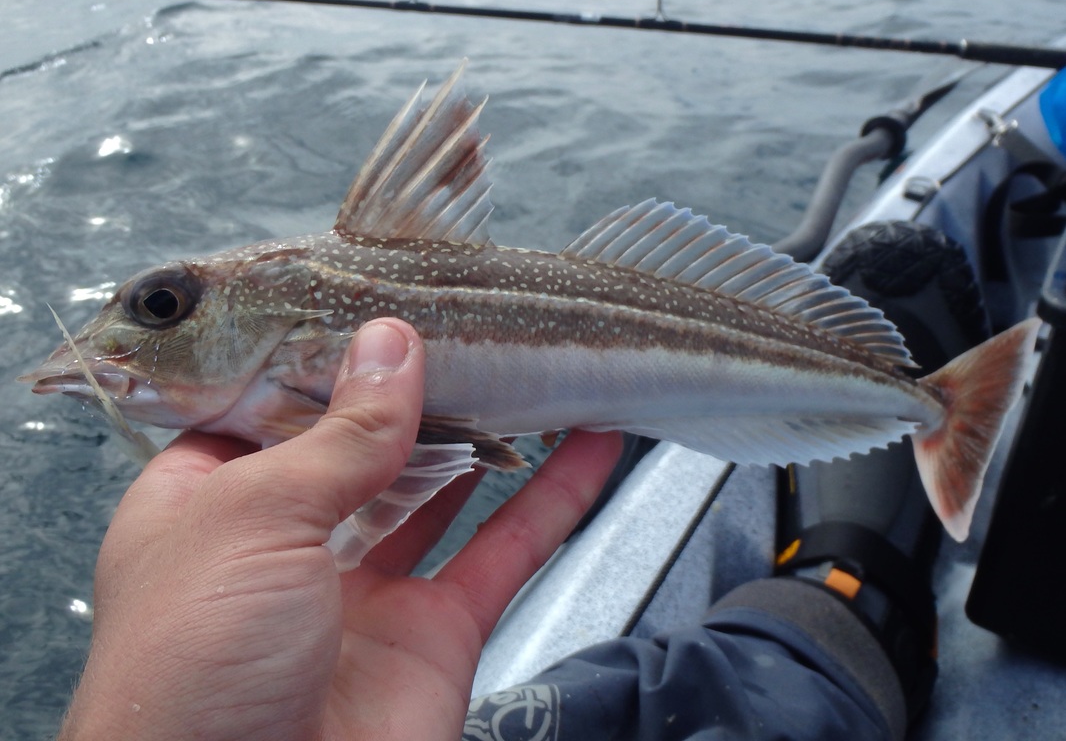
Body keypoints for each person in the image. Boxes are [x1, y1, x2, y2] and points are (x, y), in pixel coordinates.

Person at [57, 221, 979, 741]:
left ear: (293, 315)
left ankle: (932, 406)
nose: (130, 340)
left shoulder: (315, 330)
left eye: (162, 308)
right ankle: (911, 454)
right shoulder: (281, 400)